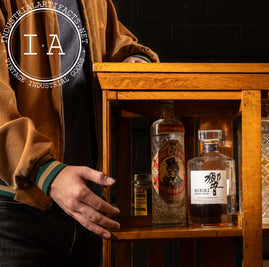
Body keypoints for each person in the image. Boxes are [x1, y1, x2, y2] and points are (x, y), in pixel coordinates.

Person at [0, 0, 159, 266]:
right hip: (17, 208)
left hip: (88, 207)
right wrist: (46, 172)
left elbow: (114, 41)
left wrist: (134, 60)